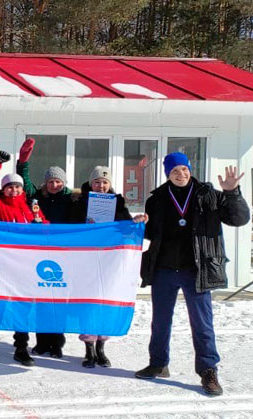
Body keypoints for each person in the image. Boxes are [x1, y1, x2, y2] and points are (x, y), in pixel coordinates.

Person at [135, 153, 248, 397]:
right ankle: (158, 363)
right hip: (164, 269)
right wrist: (140, 224)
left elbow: (239, 219)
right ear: (168, 173)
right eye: (175, 170)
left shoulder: (208, 195)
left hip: (196, 269)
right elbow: (152, 232)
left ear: (190, 170)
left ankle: (208, 370)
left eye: (184, 169)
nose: (181, 174)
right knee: (160, 321)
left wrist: (231, 192)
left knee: (202, 323)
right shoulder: (156, 199)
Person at [71, 166, 148, 367]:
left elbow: (127, 227)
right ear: (91, 184)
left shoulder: (118, 203)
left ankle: (101, 348)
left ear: (110, 184)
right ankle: (88, 348)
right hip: (86, 259)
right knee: (88, 303)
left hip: (109, 261)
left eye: (105, 182)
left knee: (105, 302)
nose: (101, 185)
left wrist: (137, 222)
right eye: (97, 182)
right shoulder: (79, 203)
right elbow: (71, 228)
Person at [0, 151, 46, 366]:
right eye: (9, 186)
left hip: (25, 267)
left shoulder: (30, 208)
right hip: (2, 264)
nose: (14, 189)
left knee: (22, 307)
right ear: (3, 189)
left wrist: (40, 226)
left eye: (17, 186)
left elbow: (46, 228)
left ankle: (21, 347)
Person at [16, 137, 74, 359]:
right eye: (51, 182)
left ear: (64, 183)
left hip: (63, 254)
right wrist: (23, 162)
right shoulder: (37, 197)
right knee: (41, 299)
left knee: (57, 301)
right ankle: (41, 342)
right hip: (39, 253)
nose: (54, 185)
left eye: (58, 182)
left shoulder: (72, 200)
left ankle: (57, 343)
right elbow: (24, 181)